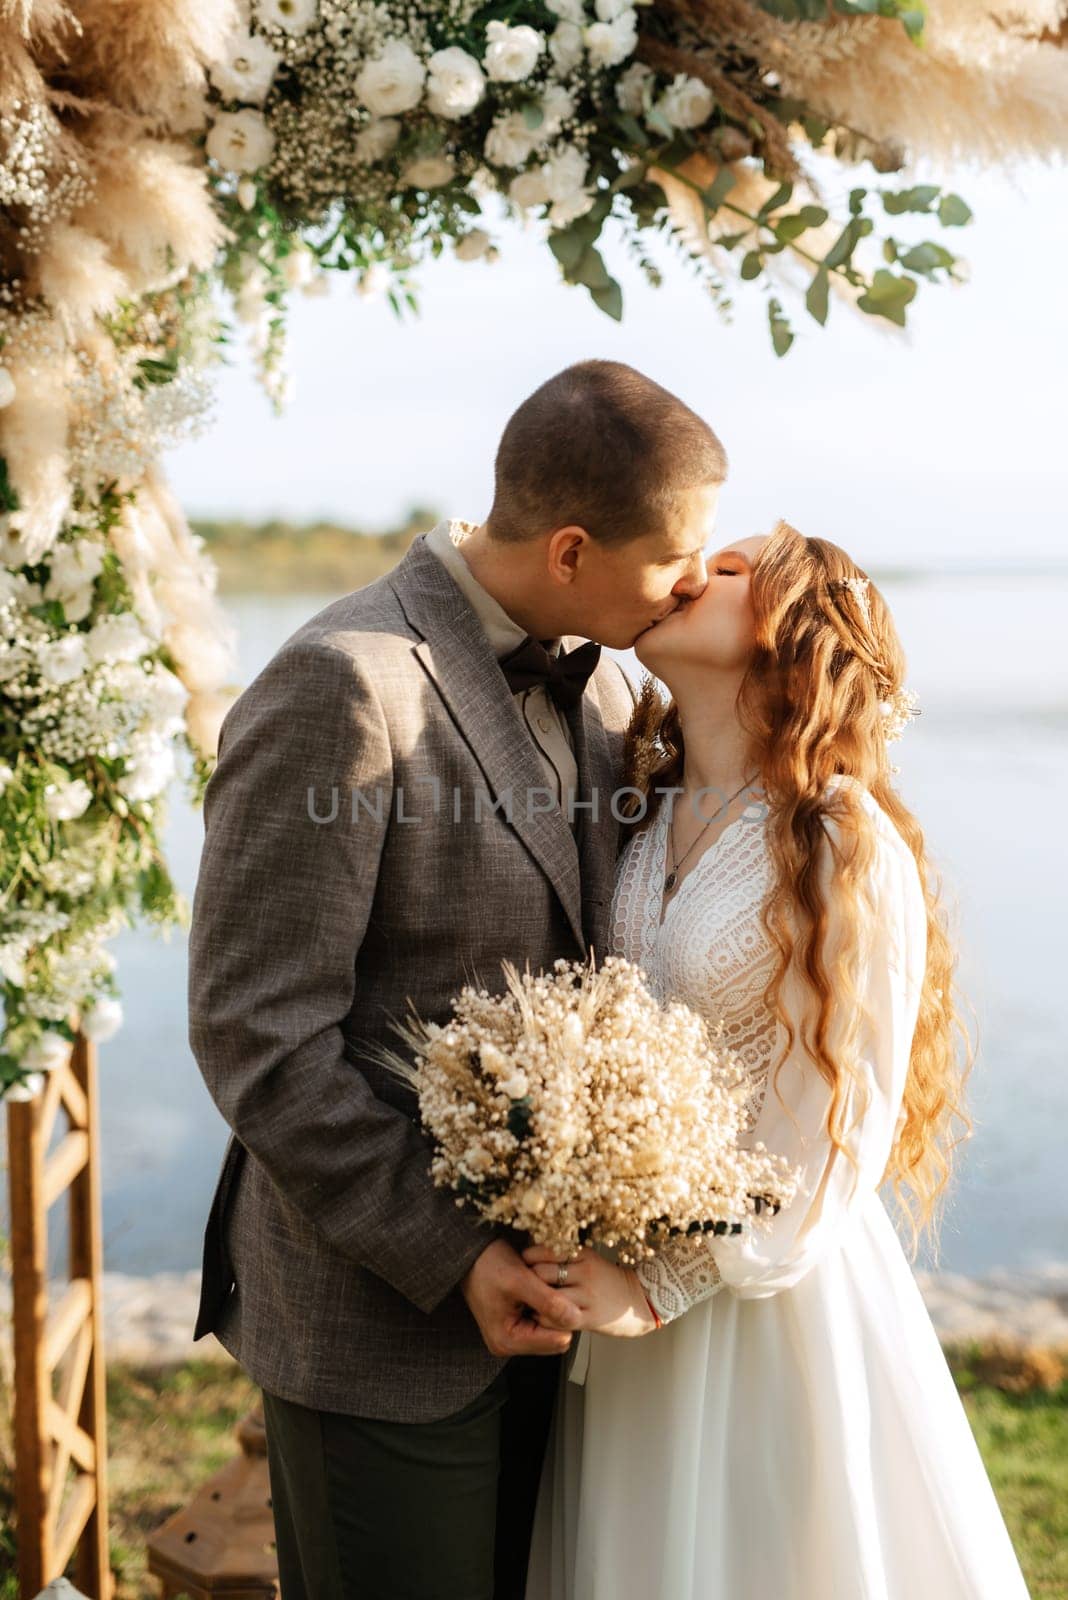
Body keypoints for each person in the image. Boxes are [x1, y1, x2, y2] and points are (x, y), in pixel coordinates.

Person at [186, 357, 726, 1599]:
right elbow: (258, 1037)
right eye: (676, 560)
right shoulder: (344, 683)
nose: (694, 582)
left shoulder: (613, 677)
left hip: (569, 1331)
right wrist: (453, 1252)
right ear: (577, 548)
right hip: (381, 1322)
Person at [522, 519, 1032, 1599]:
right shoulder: (645, 813)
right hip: (619, 1307)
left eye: (731, 566)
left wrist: (661, 1283)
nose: (690, 569)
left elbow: (837, 1126)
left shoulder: (842, 838)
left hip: (764, 1307)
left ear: (791, 632)